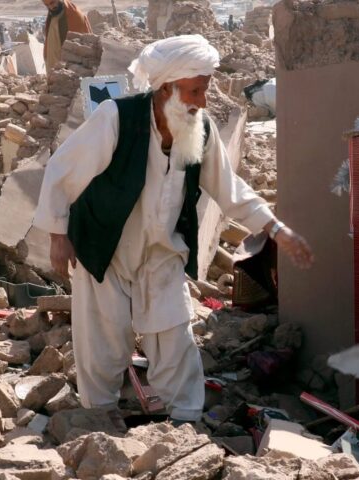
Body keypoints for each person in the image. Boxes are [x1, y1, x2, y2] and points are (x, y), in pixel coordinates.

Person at [33, 35, 314, 426]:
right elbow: (63, 170)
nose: (202, 100)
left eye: (206, 90)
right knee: (103, 341)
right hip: (105, 247)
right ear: (167, 88)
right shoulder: (117, 118)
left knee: (175, 339)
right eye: (195, 90)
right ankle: (99, 417)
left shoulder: (200, 130)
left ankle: (186, 423)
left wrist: (275, 228)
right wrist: (58, 235)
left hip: (162, 251)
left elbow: (228, 188)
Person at [41, 0, 92, 75]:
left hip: (69, 66)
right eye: (47, 5)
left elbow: (81, 44)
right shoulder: (52, 15)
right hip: (53, 62)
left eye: (52, 3)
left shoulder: (74, 15)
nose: (50, 7)